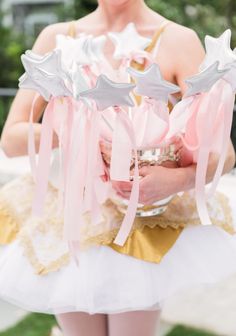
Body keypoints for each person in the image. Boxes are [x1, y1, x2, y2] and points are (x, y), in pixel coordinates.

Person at [0, 1, 236, 336]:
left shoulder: (177, 40)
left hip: (141, 220)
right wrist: (76, 127)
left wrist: (176, 179)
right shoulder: (57, 38)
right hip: (69, 220)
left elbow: (223, 152)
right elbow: (11, 139)